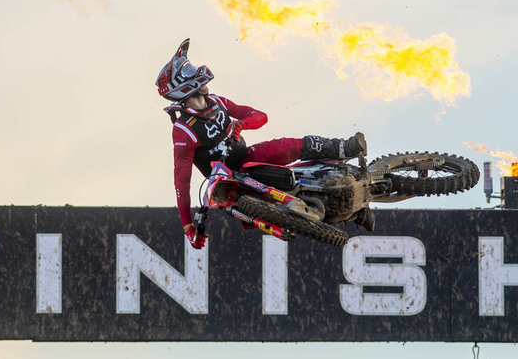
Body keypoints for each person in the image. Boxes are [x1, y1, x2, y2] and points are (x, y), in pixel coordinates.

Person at [155, 39, 372, 249]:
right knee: (282, 207)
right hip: (227, 185)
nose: (197, 72)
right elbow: (181, 183)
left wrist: (241, 124)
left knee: (287, 145)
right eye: (188, 70)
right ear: (181, 85)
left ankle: (345, 147)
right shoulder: (183, 131)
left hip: (248, 156)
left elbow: (260, 115)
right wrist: (188, 226)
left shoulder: (218, 101)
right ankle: (354, 214)